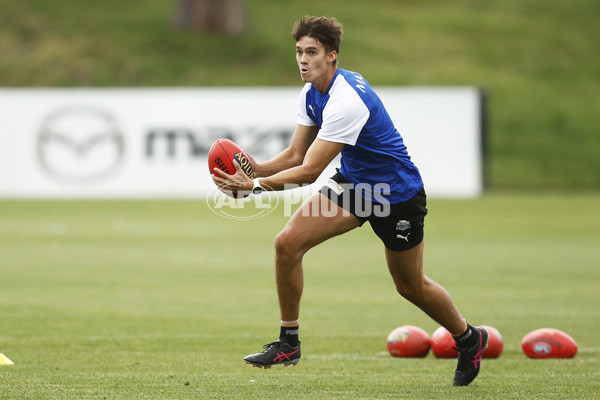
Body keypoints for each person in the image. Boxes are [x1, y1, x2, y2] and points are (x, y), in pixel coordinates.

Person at [212, 15, 488, 386]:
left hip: (396, 196)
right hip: (357, 188)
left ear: (332, 57)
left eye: (312, 52)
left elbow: (309, 172)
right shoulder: (312, 93)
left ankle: (469, 338)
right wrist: (255, 170)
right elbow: (295, 154)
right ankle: (288, 342)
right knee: (287, 244)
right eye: (298, 52)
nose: (303, 60)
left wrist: (254, 188)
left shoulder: (347, 101)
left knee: (410, 286)